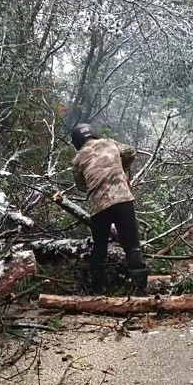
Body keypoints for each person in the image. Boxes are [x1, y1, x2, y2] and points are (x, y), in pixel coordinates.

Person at [71, 123, 149, 296]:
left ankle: (99, 293)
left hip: (98, 207)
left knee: (100, 250)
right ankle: (141, 293)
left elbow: (81, 186)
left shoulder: (77, 159)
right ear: (94, 133)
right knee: (132, 247)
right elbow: (131, 152)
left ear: (76, 141)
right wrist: (119, 168)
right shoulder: (109, 142)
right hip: (123, 200)